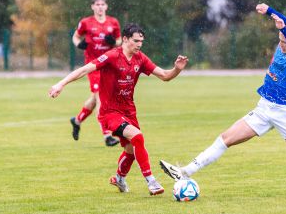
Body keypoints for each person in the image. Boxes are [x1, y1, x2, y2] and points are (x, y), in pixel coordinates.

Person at [159, 4, 286, 197]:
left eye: (285, 42)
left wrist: (285, 31)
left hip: (285, 112)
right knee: (226, 138)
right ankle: (185, 171)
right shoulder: (284, 39)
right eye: (280, 41)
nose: (281, 45)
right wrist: (269, 11)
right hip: (264, 107)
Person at [49, 23, 189, 195]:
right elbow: (84, 69)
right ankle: (151, 181)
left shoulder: (140, 58)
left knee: (131, 151)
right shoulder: (111, 56)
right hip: (110, 112)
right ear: (125, 39)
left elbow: (165, 76)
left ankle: (119, 178)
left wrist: (177, 69)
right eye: (136, 41)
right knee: (137, 137)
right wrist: (60, 84)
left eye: (141, 41)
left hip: (129, 111)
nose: (139, 45)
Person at [70, 0, 122, 146]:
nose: (100, 7)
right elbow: (76, 37)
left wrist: (113, 42)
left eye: (102, 4)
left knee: (94, 99)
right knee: (101, 98)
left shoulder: (113, 22)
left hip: (108, 65)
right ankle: (107, 135)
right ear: (92, 6)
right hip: (92, 66)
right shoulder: (86, 22)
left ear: (106, 6)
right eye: (97, 4)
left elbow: (119, 40)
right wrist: (78, 45)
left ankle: (77, 120)